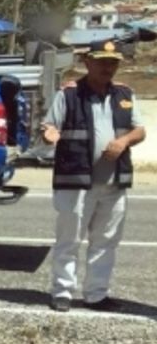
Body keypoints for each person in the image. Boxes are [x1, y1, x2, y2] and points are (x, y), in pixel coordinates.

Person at [41, 39, 146, 312]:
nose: (107, 67)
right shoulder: (69, 95)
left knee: (106, 243)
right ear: (87, 62)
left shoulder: (124, 94)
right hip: (76, 182)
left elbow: (139, 130)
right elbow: (50, 125)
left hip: (113, 184)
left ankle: (96, 295)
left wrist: (124, 142)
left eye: (112, 63)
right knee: (69, 241)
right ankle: (62, 292)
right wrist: (49, 133)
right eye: (101, 62)